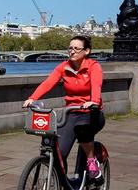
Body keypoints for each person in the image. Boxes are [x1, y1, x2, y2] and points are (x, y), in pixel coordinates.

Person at [23, 35, 105, 179]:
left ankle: (92, 162)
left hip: (91, 113)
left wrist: (94, 102)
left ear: (86, 51)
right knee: (59, 151)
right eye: (70, 48)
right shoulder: (63, 67)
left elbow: (96, 85)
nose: (72, 51)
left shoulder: (93, 66)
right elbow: (48, 83)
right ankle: (61, 186)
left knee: (83, 131)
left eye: (76, 48)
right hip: (71, 113)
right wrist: (32, 98)